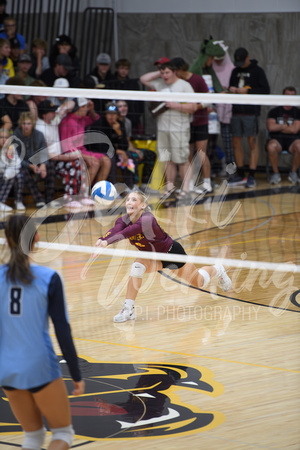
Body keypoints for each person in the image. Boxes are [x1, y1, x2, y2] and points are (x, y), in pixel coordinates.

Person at [0, 214, 85, 449]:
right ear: (37, 238)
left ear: (6, 240)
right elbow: (62, 330)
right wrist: (76, 375)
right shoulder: (48, 278)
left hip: (6, 369)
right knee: (62, 434)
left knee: (33, 437)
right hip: (39, 365)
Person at [95, 190, 232, 322]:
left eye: (134, 199)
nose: (129, 202)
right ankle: (128, 309)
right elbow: (115, 230)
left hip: (171, 253)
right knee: (137, 267)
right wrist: (102, 240)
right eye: (128, 199)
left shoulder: (148, 218)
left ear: (143, 206)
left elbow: (128, 232)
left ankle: (218, 269)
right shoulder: (122, 220)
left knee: (199, 282)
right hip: (150, 256)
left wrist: (107, 242)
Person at [140, 62, 197, 201]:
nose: (164, 76)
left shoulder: (184, 86)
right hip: (163, 129)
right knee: (167, 159)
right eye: (162, 73)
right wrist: (159, 72)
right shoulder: (159, 84)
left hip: (179, 129)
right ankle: (170, 188)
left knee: (182, 159)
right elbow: (143, 79)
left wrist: (175, 106)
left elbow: (193, 107)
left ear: (174, 72)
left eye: (167, 73)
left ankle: (186, 189)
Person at [228, 47, 270, 188]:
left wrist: (248, 91)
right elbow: (230, 86)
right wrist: (232, 89)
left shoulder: (257, 71)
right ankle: (241, 175)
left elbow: (265, 91)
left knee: (252, 142)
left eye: (242, 61)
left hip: (251, 112)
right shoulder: (235, 71)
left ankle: (252, 175)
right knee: (236, 142)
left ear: (248, 57)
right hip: (236, 112)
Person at [171, 56, 211, 195]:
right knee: (187, 153)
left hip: (200, 120)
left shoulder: (197, 80)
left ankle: (207, 182)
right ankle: (191, 182)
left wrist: (196, 106)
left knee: (201, 152)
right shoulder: (176, 83)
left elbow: (208, 99)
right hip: (184, 123)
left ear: (181, 69)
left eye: (175, 70)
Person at [59, 97, 101, 205]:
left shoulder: (82, 119)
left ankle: (87, 194)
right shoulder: (67, 121)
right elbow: (66, 147)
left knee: (104, 161)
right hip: (69, 153)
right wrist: (84, 157)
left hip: (81, 151)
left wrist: (92, 109)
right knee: (93, 162)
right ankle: (81, 194)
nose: (87, 110)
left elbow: (95, 118)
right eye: (86, 107)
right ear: (79, 108)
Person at [13, 111, 57, 208]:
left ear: (32, 124)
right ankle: (39, 200)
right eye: (24, 124)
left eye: (28, 123)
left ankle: (49, 200)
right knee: (21, 171)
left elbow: (44, 152)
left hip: (38, 163)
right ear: (21, 124)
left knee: (51, 167)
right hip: (24, 165)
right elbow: (17, 158)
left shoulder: (39, 135)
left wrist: (43, 165)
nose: (26, 126)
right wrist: (30, 166)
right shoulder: (16, 135)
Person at [86, 101, 134, 189]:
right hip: (95, 150)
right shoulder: (99, 124)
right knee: (110, 157)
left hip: (111, 150)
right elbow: (100, 146)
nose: (111, 116)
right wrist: (118, 151)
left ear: (118, 115)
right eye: (109, 114)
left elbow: (125, 147)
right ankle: (113, 186)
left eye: (114, 114)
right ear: (105, 114)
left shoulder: (119, 124)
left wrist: (119, 133)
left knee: (128, 155)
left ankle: (129, 187)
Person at [117, 99, 157, 193]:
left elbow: (128, 140)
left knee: (150, 154)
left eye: (125, 106)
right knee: (132, 157)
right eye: (120, 106)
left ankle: (144, 185)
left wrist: (135, 150)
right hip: (118, 151)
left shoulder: (127, 122)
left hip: (127, 149)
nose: (123, 108)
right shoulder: (113, 122)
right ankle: (133, 186)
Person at [266, 86, 300, 184]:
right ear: (283, 95)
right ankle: (276, 173)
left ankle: (293, 172)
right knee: (271, 147)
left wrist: (280, 126)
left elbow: (295, 130)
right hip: (277, 139)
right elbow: (271, 127)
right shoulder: (274, 111)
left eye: (292, 96)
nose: (290, 97)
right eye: (287, 95)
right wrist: (287, 126)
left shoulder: (298, 112)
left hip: (293, 139)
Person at [212, 41, 235, 169]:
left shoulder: (232, 69)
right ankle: (210, 170)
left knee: (228, 142)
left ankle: (231, 170)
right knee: (210, 141)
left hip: (227, 110)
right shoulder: (209, 69)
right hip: (212, 110)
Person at [111, 58, 144, 133]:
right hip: (115, 117)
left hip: (132, 118)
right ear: (117, 69)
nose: (123, 71)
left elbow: (140, 101)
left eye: (126, 69)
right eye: (121, 68)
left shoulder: (133, 83)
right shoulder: (111, 82)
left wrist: (137, 115)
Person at [0, 128, 25, 212]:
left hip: (6, 173)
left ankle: (18, 201)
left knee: (19, 176)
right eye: (1, 137)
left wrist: (7, 173)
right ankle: (1, 201)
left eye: (6, 137)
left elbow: (17, 164)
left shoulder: (12, 148)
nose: (4, 140)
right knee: (11, 175)